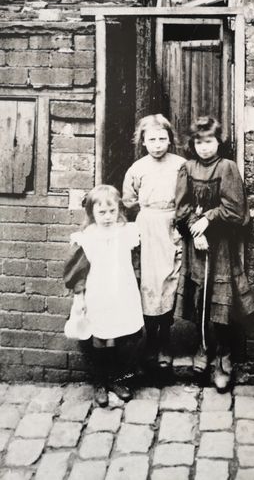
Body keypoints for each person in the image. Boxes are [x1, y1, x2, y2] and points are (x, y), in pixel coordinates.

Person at [175, 116, 254, 392]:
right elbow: (181, 208)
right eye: (199, 142)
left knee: (221, 300)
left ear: (219, 141)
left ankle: (223, 356)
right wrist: (194, 232)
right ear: (193, 144)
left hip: (220, 244)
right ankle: (202, 347)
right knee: (200, 298)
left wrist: (208, 219)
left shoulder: (227, 168)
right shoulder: (187, 168)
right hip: (197, 245)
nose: (205, 147)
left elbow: (236, 210)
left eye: (209, 141)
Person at [64, 185, 144, 407]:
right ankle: (100, 381)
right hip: (98, 294)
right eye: (101, 212)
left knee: (121, 335)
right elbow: (78, 274)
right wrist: (80, 299)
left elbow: (135, 263)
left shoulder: (127, 233)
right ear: (92, 213)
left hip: (122, 292)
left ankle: (118, 379)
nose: (107, 217)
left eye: (112, 211)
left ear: (119, 210)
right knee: (100, 338)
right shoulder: (87, 239)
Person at [122, 114, 186, 369]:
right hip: (148, 227)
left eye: (162, 138)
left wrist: (180, 222)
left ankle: (165, 342)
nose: (158, 144)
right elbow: (128, 201)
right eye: (152, 139)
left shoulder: (181, 165)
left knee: (170, 281)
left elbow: (189, 195)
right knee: (149, 284)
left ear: (170, 139)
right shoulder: (137, 168)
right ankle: (150, 342)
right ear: (143, 141)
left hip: (173, 226)